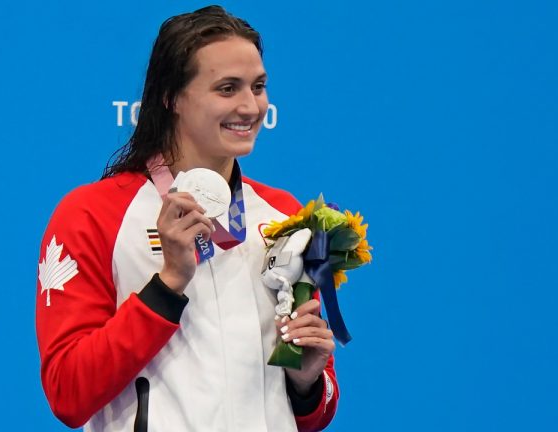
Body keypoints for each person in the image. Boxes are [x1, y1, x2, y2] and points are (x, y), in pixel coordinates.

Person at [36, 6, 338, 431]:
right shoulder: (94, 214)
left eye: (259, 86)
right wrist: (168, 284)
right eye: (227, 88)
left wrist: (306, 381)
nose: (251, 106)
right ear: (171, 97)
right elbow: (68, 392)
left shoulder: (284, 213)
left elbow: (312, 412)